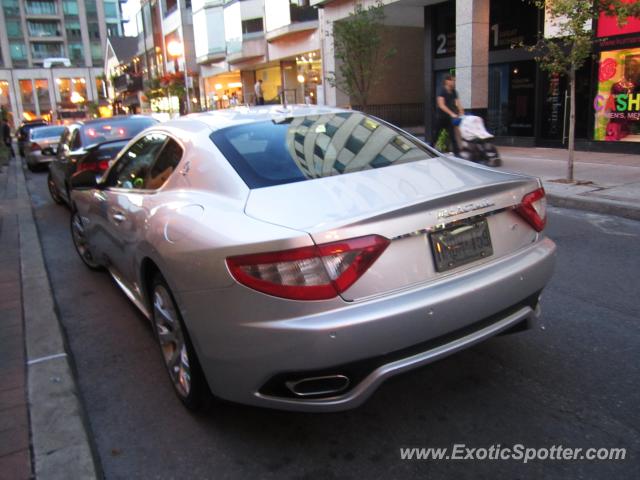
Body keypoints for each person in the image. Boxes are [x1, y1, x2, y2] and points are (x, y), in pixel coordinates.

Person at [436, 74, 464, 155]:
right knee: (436, 135)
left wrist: (461, 111)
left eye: (454, 80)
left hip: (449, 119)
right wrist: (452, 113)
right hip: (441, 118)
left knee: (453, 136)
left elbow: (458, 103)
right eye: (452, 80)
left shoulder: (454, 92)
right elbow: (441, 105)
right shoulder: (442, 91)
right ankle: (429, 151)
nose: (454, 82)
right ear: (447, 81)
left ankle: (457, 154)